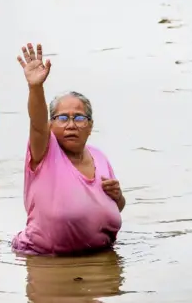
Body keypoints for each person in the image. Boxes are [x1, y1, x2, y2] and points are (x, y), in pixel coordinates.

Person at [11, 43, 126, 256]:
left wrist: (119, 198)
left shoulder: (99, 158)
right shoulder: (45, 152)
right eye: (62, 118)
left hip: (100, 261)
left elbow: (114, 207)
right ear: (50, 125)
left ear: (90, 126)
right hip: (45, 259)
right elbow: (36, 122)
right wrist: (35, 88)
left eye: (79, 118)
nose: (71, 125)